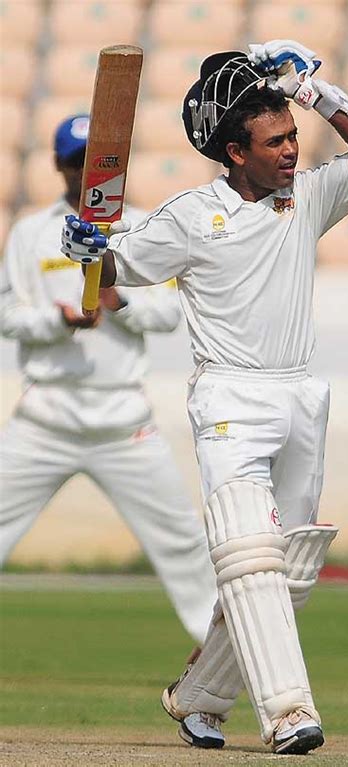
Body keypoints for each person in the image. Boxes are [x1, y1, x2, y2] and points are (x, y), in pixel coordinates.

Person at [61, 40, 348, 755]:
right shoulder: (191, 215)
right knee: (250, 554)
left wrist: (313, 91)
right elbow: (118, 271)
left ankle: (199, 698)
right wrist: (89, 251)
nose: (291, 151)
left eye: (293, 137)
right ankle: (288, 711)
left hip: (301, 394)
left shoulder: (307, 195)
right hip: (229, 398)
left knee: (292, 569)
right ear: (233, 152)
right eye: (275, 141)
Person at [0, 114, 218, 647]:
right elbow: (6, 315)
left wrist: (116, 301)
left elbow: (168, 315)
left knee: (185, 545)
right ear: (59, 166)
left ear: (115, 168)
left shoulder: (146, 226)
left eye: (99, 164)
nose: (87, 174)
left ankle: (229, 663)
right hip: (44, 417)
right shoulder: (31, 232)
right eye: (77, 163)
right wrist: (59, 321)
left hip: (124, 420)